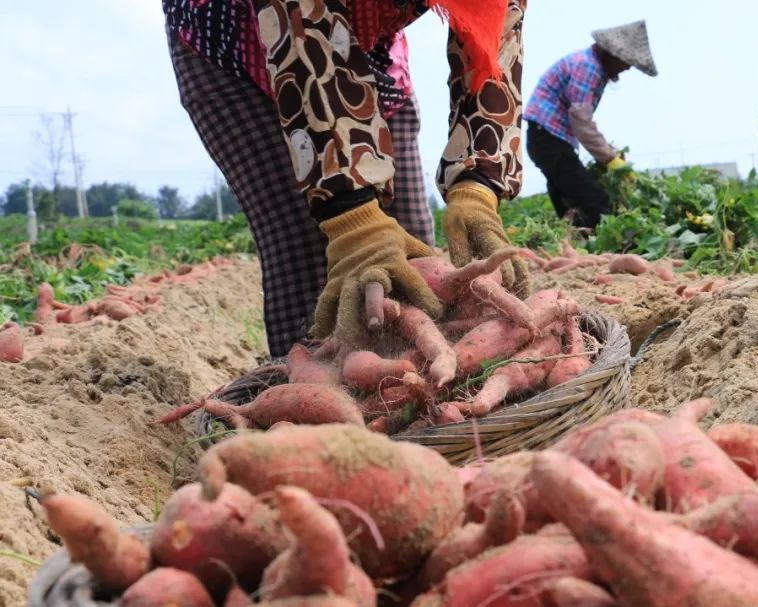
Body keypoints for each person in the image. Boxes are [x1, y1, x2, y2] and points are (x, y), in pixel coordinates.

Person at [162, 0, 531, 358]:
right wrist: (351, 218)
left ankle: (426, 395)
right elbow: (303, 29)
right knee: (317, 260)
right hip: (234, 41)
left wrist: (477, 185)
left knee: (413, 254)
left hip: (372, 53)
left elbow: (494, 36)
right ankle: (310, 402)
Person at [524, 20, 657, 230]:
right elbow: (582, 124)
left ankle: (576, 251)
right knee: (596, 206)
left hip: (548, 140)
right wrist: (610, 159)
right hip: (548, 141)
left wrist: (610, 153)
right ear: (613, 54)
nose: (628, 68)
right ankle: (610, 252)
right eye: (627, 62)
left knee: (572, 207)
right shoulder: (588, 67)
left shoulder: (590, 64)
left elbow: (581, 122)